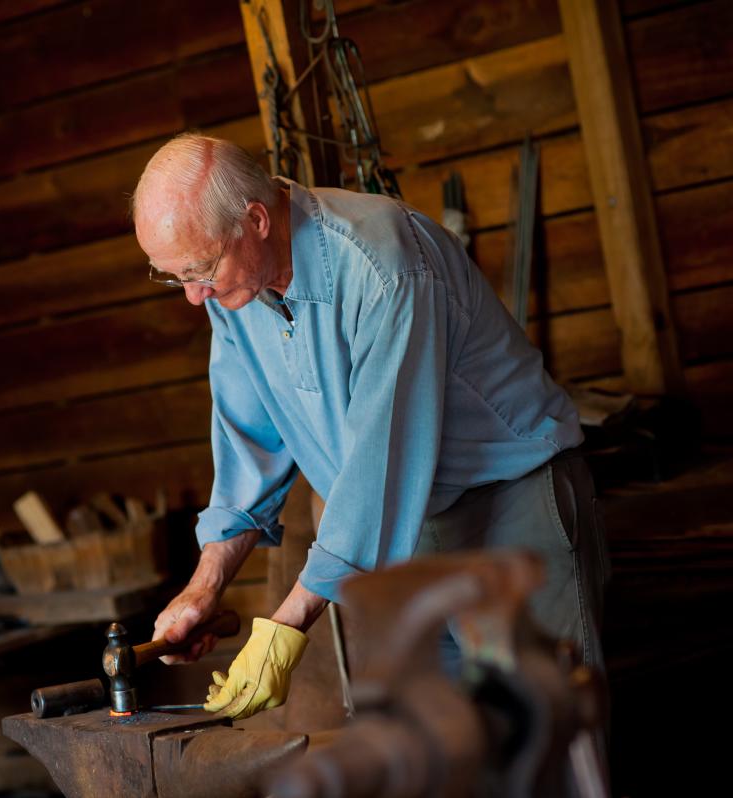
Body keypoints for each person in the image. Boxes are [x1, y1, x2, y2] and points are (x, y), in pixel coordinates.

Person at [132, 133, 608, 721]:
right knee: (449, 756)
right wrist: (203, 588)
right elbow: (248, 449)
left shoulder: (383, 265)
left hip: (507, 514)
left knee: (543, 745)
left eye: (200, 269)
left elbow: (383, 466)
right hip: (399, 541)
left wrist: (285, 627)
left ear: (255, 220)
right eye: (171, 275)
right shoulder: (232, 295)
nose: (191, 295)